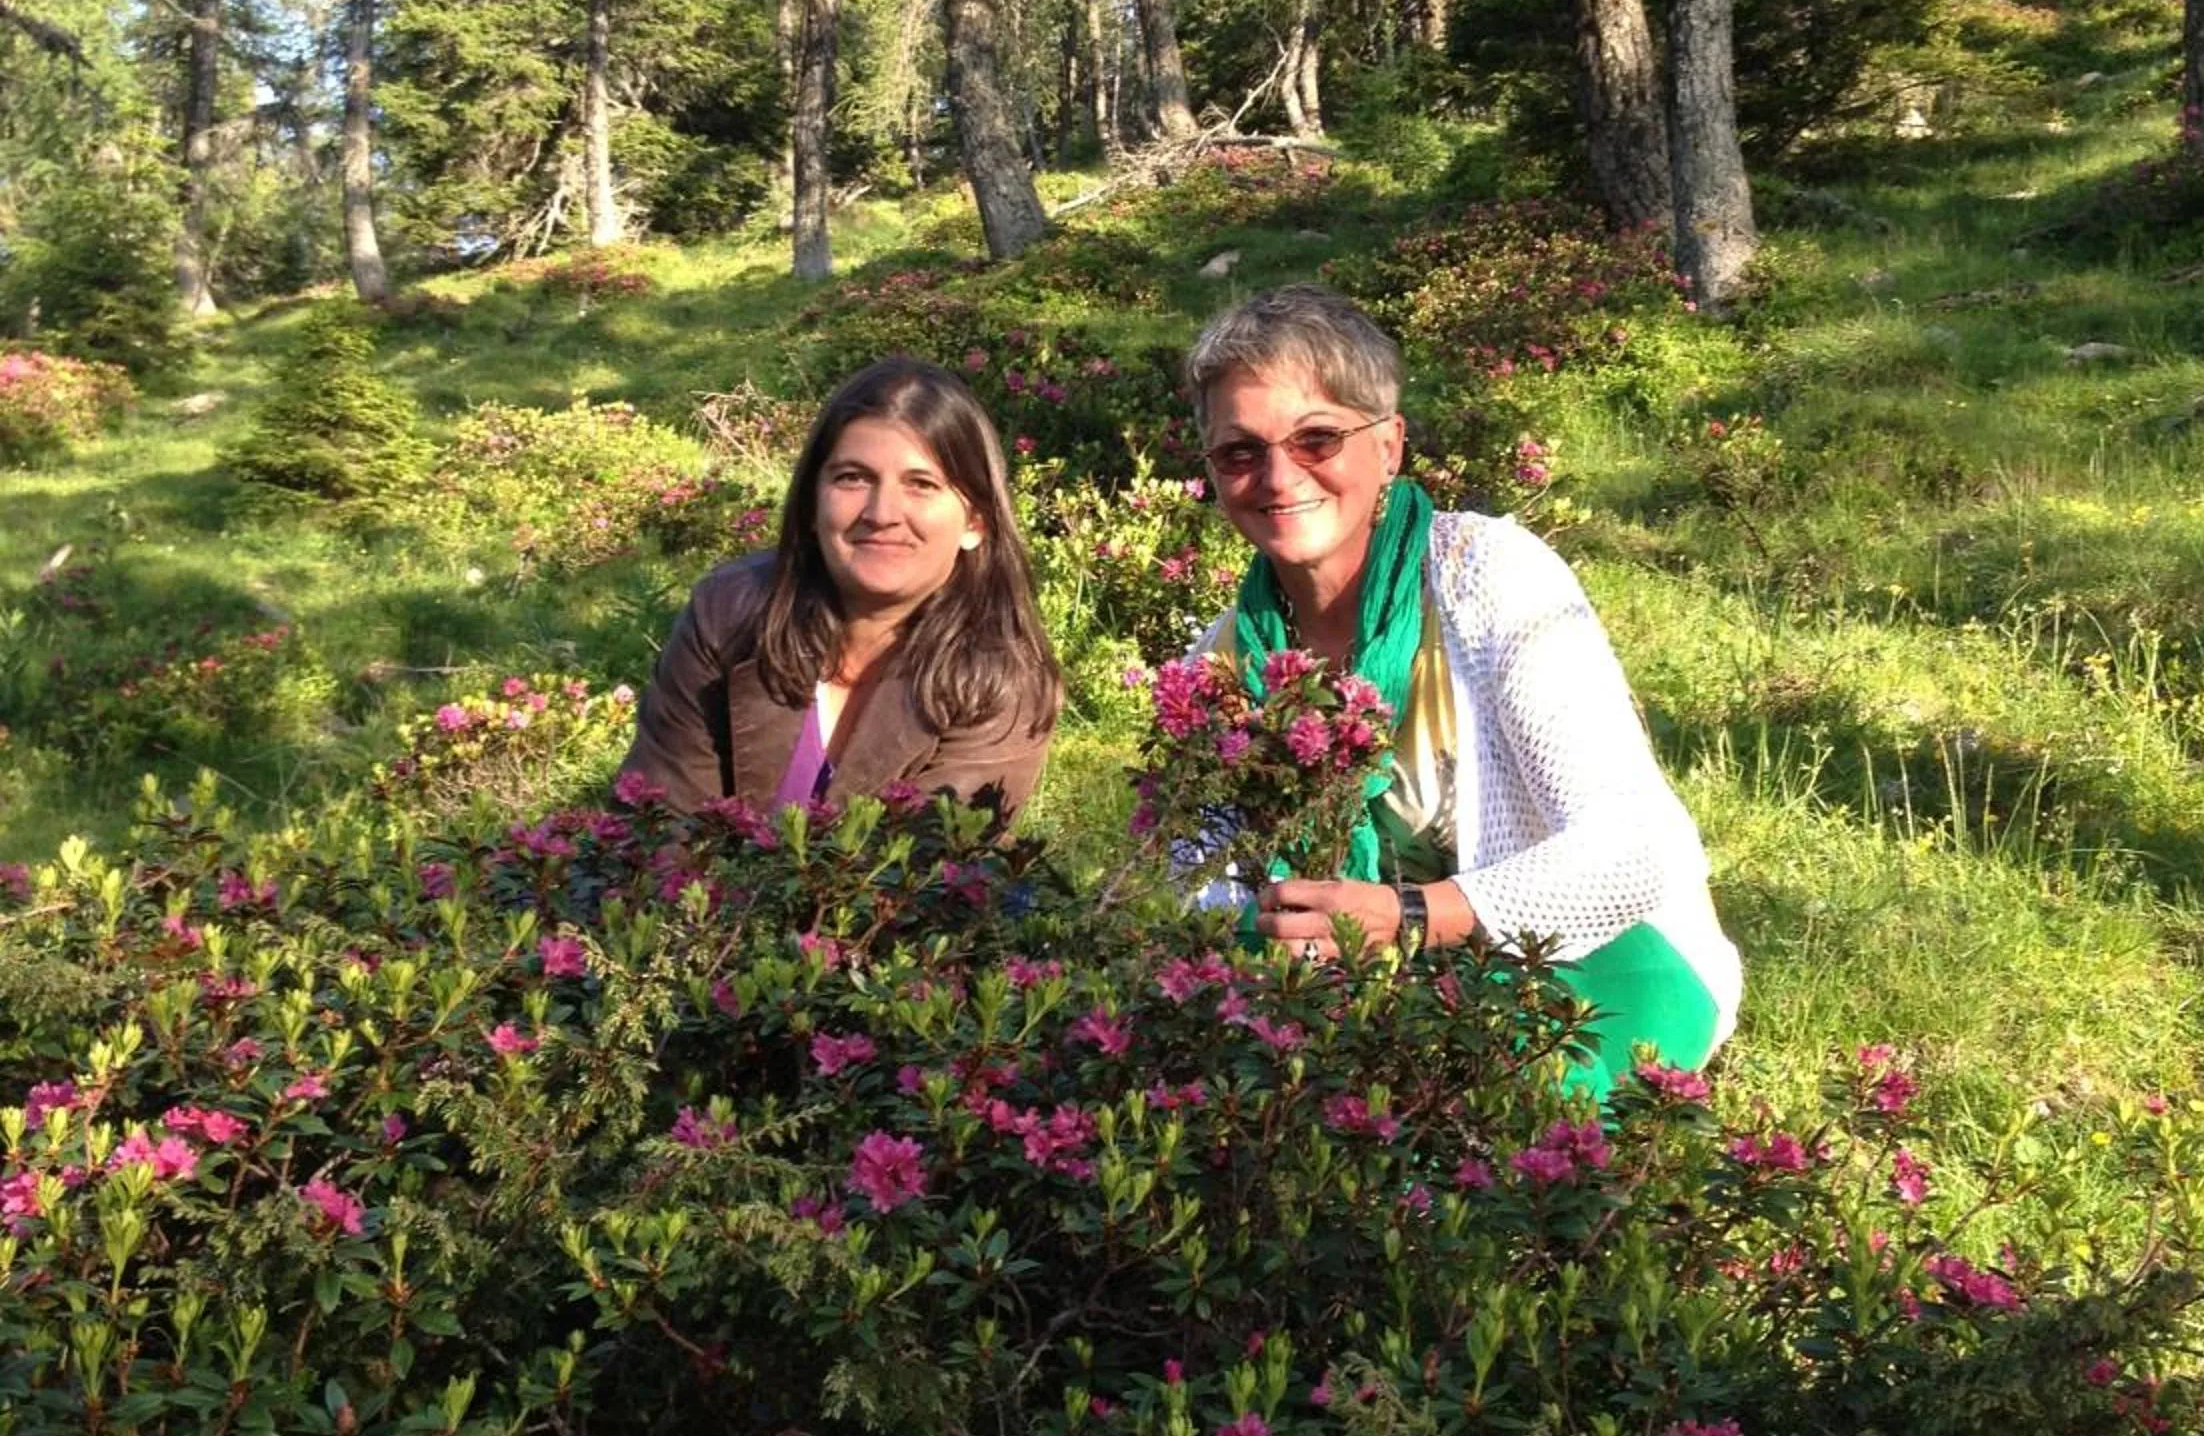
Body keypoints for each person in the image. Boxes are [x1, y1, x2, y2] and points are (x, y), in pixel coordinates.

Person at [1182, 286, 1740, 1097]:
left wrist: (1409, 915)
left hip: (1596, 956)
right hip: (1366, 975)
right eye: (1239, 452)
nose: (1276, 476)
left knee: (1480, 1119)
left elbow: (1634, 850)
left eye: (1318, 438)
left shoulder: (1487, 576)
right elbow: (1192, 887)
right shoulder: (1226, 658)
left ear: (1390, 446)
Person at [623, 356, 1061, 823]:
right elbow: (661, 826)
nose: (882, 512)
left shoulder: (1002, 681)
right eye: (853, 478)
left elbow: (930, 876)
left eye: (921, 484)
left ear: (975, 522)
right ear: (812, 504)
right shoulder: (727, 616)